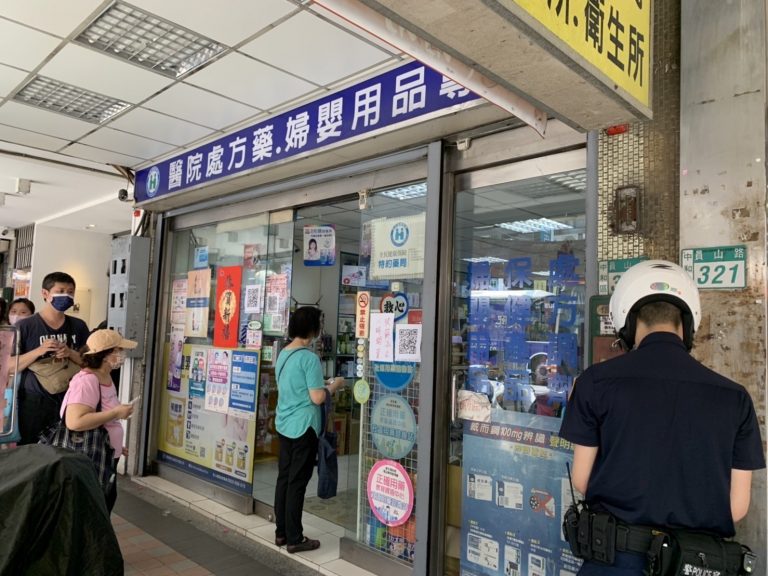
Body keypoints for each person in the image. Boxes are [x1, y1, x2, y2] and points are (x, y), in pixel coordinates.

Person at [560, 261, 765, 574]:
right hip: (695, 562)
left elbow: (582, 480)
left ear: (627, 322)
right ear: (688, 322)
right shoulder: (735, 397)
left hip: (616, 559)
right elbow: (736, 506)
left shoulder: (595, 383)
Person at [273, 306, 345, 553]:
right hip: (304, 427)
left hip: (284, 424)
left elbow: (294, 385)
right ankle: (295, 538)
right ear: (313, 329)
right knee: (298, 482)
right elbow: (317, 397)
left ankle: (281, 532)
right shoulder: (309, 358)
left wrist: (319, 385)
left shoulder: (284, 354)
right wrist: (335, 385)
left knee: (284, 478)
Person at [62, 329, 136, 511]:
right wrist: (116, 413)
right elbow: (75, 421)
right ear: (104, 355)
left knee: (104, 502)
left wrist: (115, 444)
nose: (122, 354)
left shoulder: (105, 376)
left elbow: (102, 415)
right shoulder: (86, 381)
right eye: (118, 350)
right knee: (95, 507)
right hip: (90, 458)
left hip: (104, 453)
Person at [15, 272, 90, 445]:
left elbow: (90, 364)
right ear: (45, 293)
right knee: (31, 450)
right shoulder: (25, 326)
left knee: (66, 451)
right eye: (60, 291)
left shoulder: (79, 326)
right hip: (34, 402)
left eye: (70, 292)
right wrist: (39, 351)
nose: (67, 296)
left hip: (72, 400)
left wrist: (70, 353)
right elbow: (9, 366)